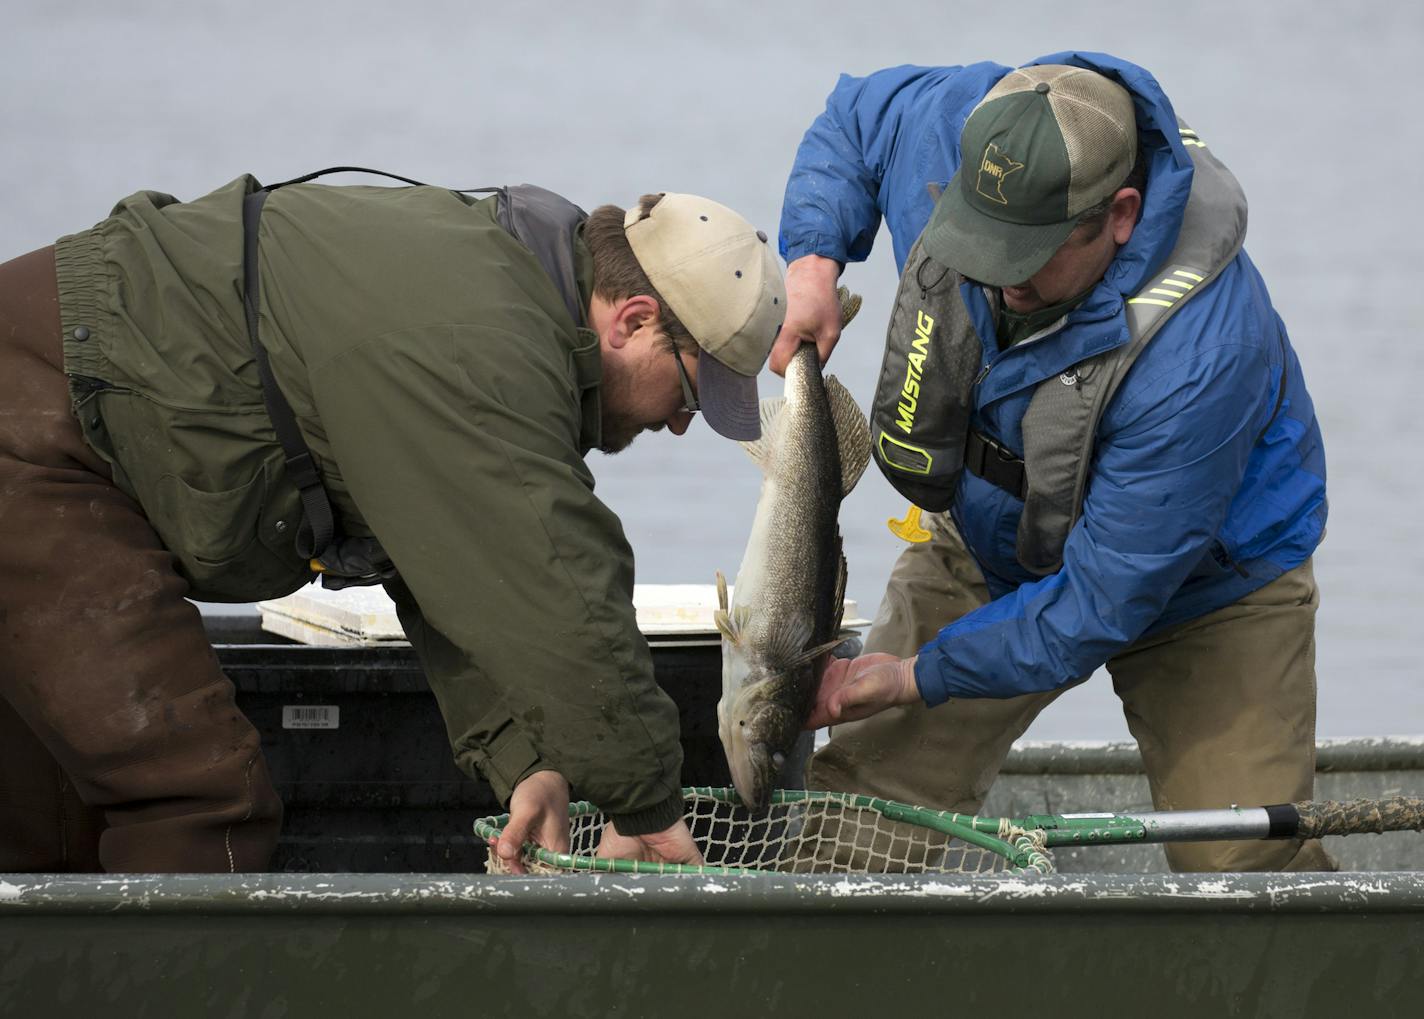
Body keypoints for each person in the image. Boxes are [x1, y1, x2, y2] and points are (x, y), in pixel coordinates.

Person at [0, 171, 787, 874]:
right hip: (40, 422)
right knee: (199, 801)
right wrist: (645, 809)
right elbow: (557, 584)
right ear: (634, 319)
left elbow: (447, 561)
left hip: (60, 407)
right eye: (689, 395)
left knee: (53, 816)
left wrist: (528, 763)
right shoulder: (482, 345)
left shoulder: (497, 299)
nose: (681, 426)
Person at [777, 53, 1333, 871]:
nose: (1000, 277)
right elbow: (854, 120)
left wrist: (909, 677)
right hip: (992, 540)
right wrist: (812, 259)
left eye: (1027, 252)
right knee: (852, 822)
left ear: (1120, 214)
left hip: (1207, 591)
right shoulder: (965, 128)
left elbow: (1097, 604)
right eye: (982, 240)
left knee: (1243, 872)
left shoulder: (1205, 354)